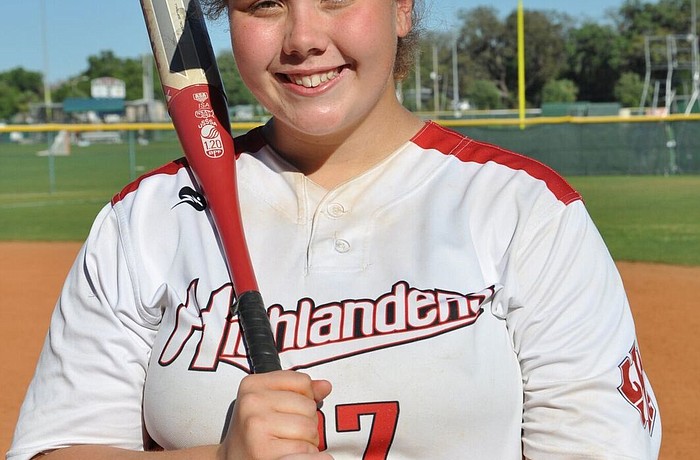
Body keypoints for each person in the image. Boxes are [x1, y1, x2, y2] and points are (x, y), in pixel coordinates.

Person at [8, 0, 661, 459]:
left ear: (402, 8)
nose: (302, 37)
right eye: (264, 4)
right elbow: (59, 446)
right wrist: (219, 459)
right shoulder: (147, 218)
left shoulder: (524, 210)